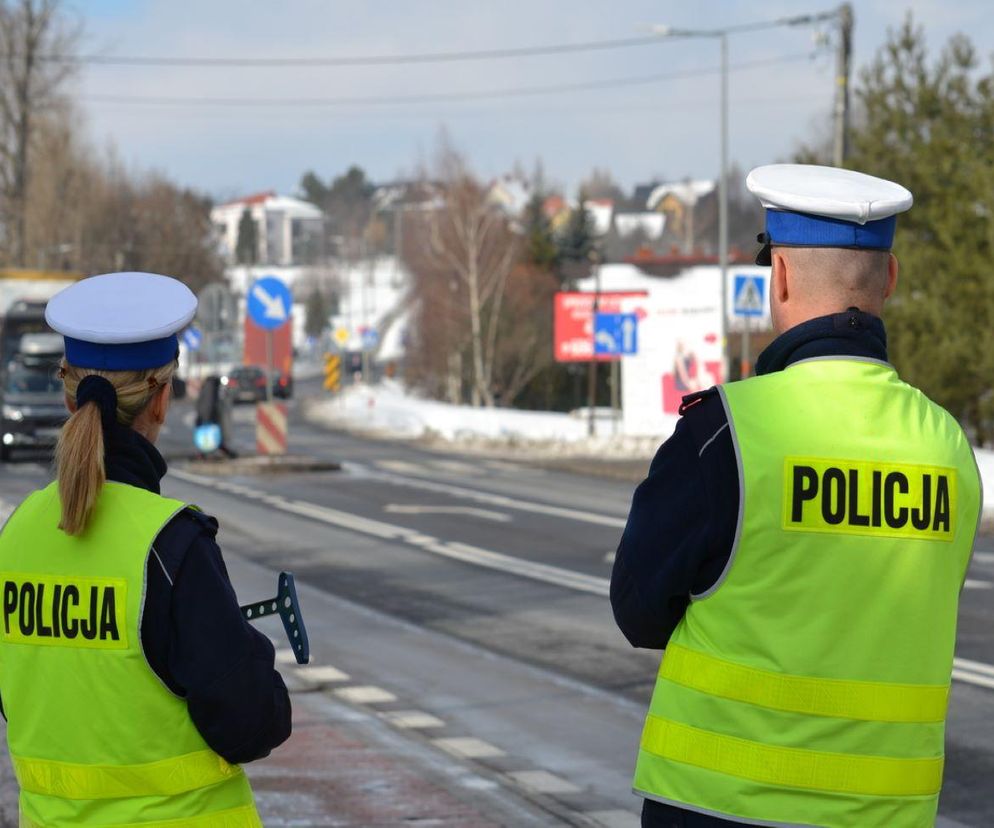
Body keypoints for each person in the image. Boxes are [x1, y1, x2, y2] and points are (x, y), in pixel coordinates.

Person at [612, 165, 981, 828]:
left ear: (777, 276)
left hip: (721, 809)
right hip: (888, 816)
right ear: (890, 280)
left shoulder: (723, 432)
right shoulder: (947, 447)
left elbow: (638, 610)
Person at [0, 272, 291, 826]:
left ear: (68, 394)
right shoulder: (172, 544)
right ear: (161, 400)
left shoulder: (16, 535)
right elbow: (251, 723)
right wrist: (250, 654)